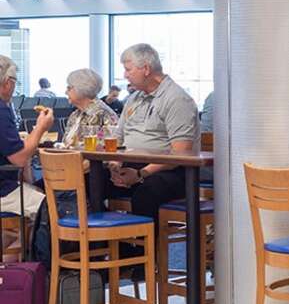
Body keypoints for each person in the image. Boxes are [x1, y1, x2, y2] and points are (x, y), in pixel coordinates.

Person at [107, 43, 200, 225]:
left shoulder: (176, 99)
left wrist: (141, 173)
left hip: (168, 170)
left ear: (146, 69)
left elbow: (180, 153)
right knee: (88, 182)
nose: (125, 75)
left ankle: (140, 252)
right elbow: (118, 138)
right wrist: (114, 165)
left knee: (146, 193)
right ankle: (99, 247)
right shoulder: (134, 98)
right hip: (130, 164)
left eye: (128, 70)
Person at [0, 56, 54, 249]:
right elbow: (19, 158)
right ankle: (48, 268)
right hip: (3, 191)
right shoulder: (1, 109)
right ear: (7, 82)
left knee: (35, 192)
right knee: (54, 207)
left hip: (8, 186)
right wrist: (40, 128)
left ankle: (14, 256)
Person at [62, 69, 119, 148]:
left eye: (69, 88)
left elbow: (108, 151)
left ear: (82, 89)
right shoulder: (75, 115)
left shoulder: (104, 114)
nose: (66, 92)